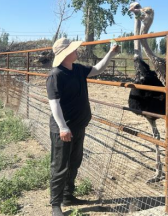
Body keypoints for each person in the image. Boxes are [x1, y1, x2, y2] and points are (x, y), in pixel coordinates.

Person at [46, 37, 120, 216]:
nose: (77, 51)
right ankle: (56, 204)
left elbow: (97, 70)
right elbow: (54, 104)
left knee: (74, 162)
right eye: (73, 49)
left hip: (78, 126)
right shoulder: (55, 75)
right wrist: (63, 127)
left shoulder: (78, 69)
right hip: (63, 129)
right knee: (60, 165)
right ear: (65, 54)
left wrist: (110, 53)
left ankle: (68, 195)